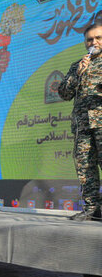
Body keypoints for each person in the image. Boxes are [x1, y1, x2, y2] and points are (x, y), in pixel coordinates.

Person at [59, 22, 102, 220]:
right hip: (82, 126)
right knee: (85, 167)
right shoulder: (78, 65)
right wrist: (77, 74)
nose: (94, 42)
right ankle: (92, 209)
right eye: (90, 39)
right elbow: (64, 93)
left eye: (98, 38)